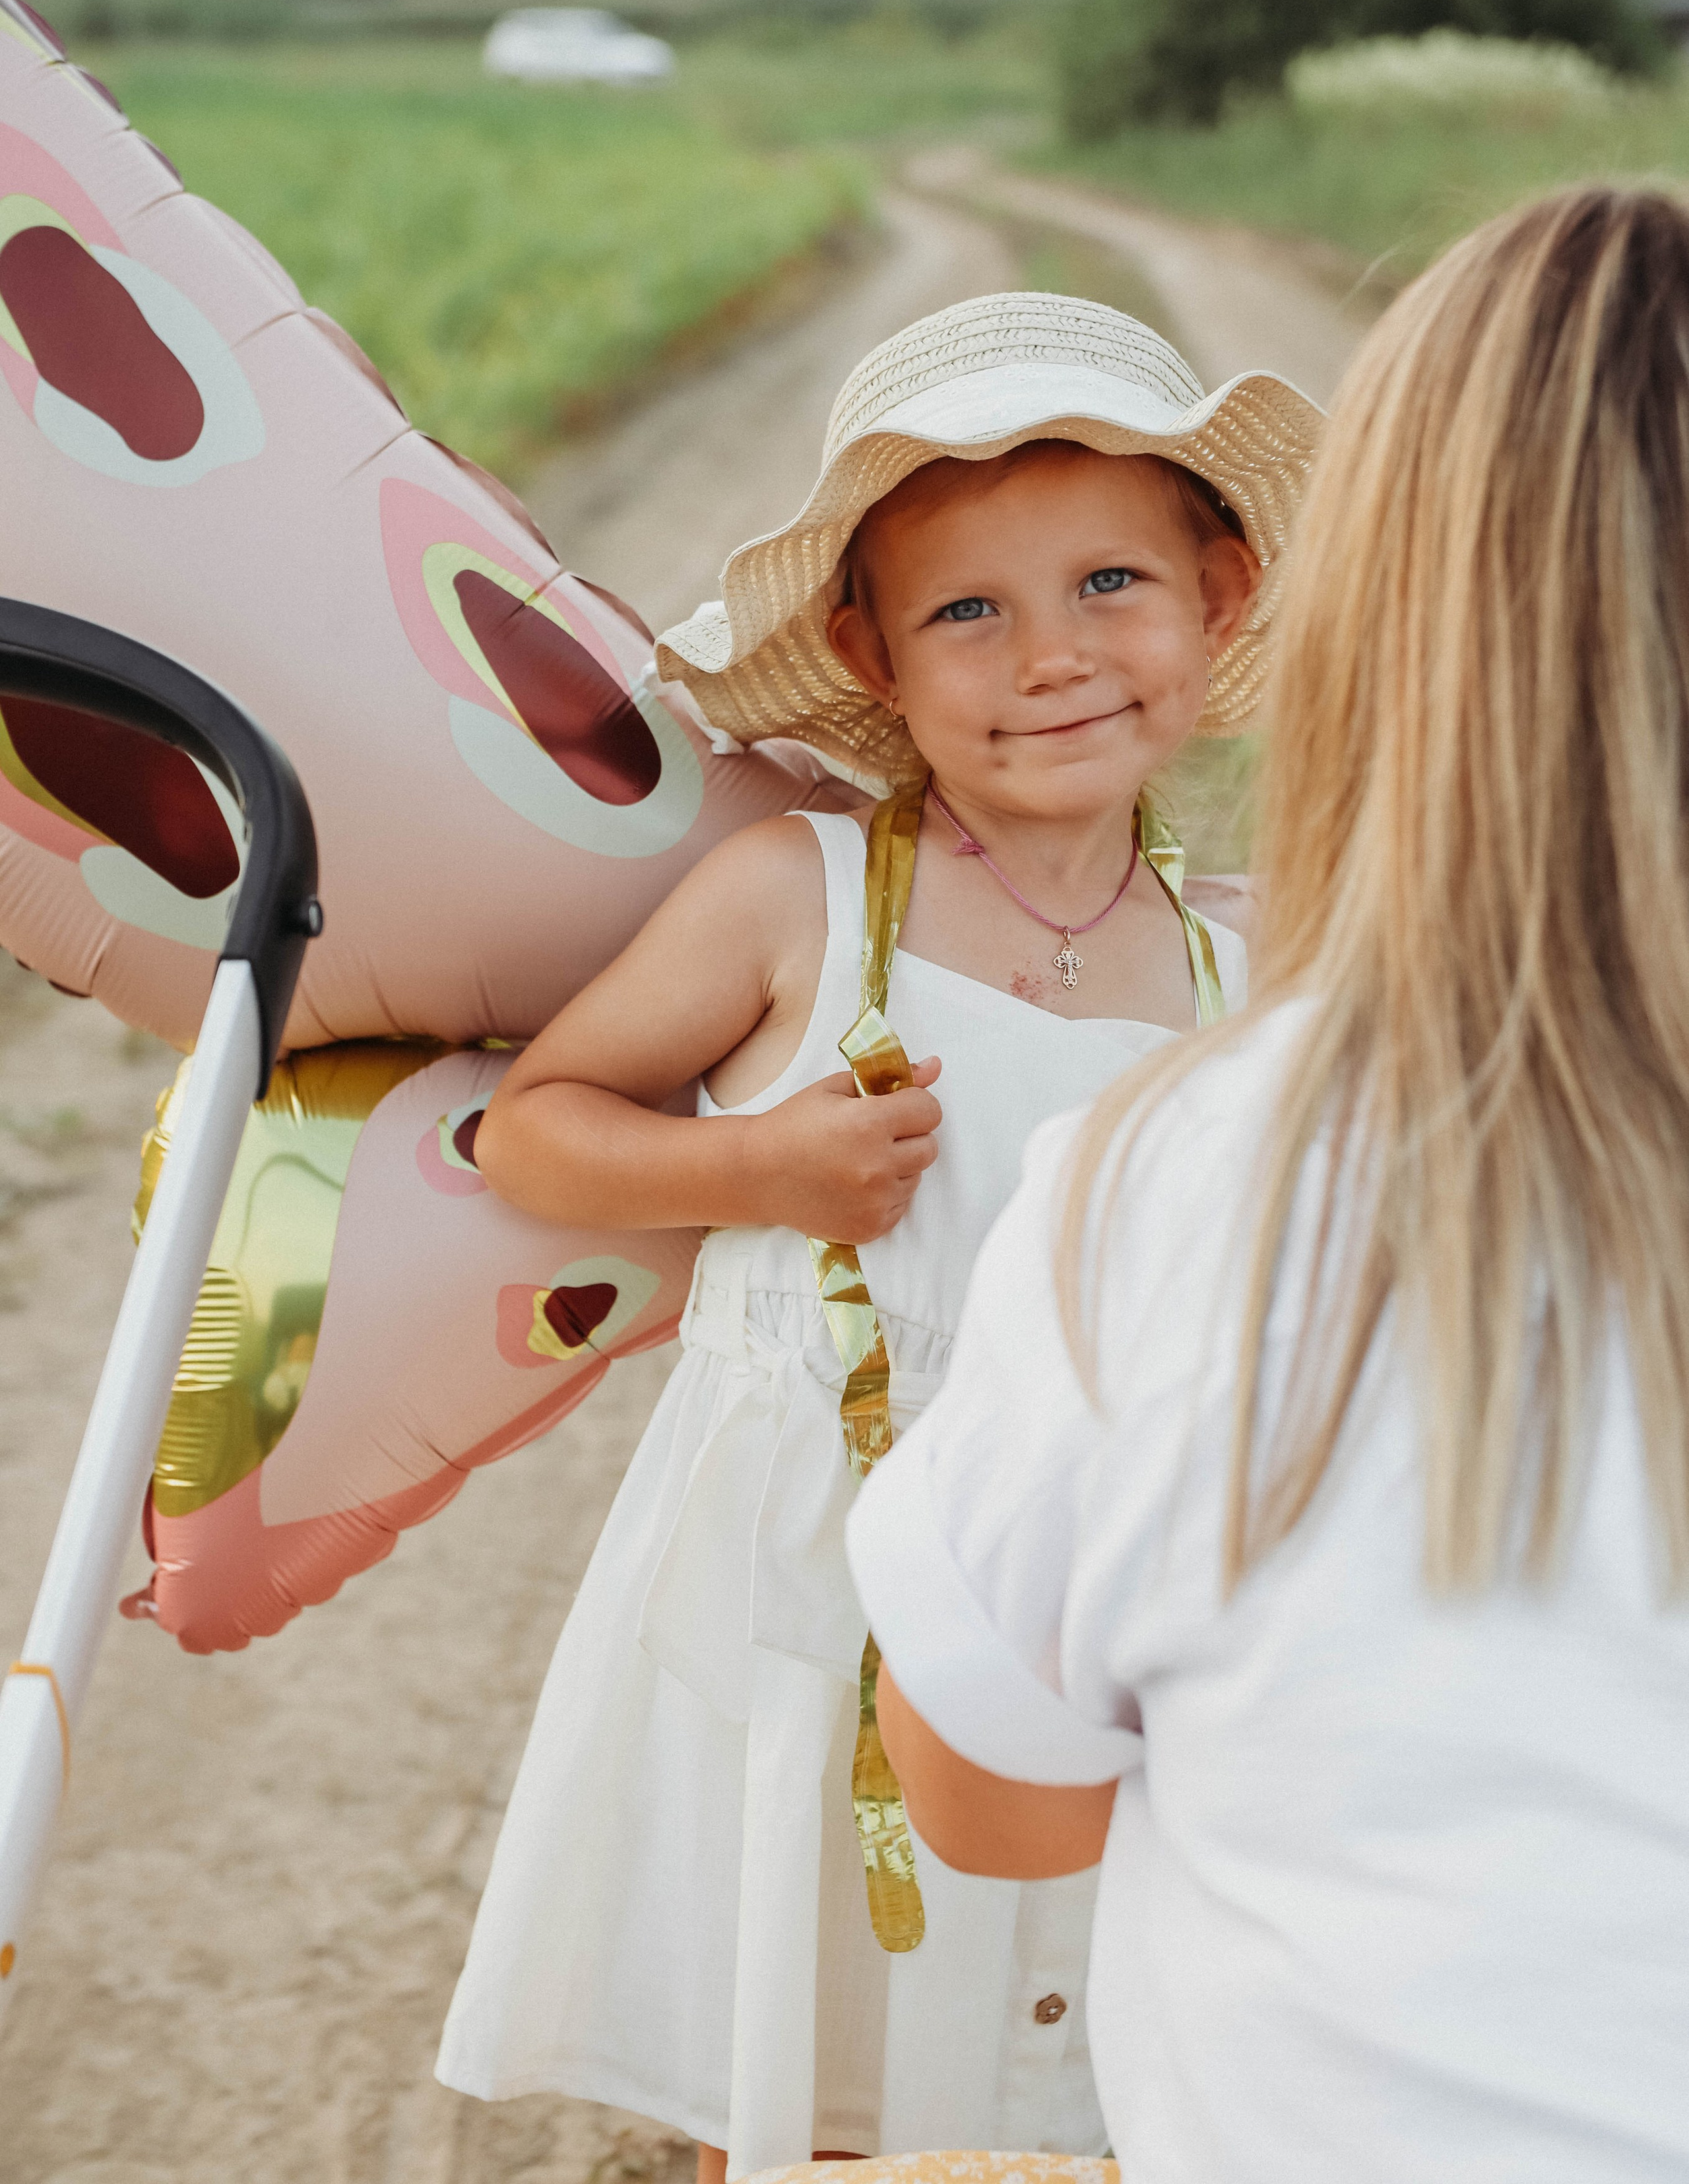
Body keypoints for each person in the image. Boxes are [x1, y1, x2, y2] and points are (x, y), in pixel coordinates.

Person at [848, 187, 1689, 2183]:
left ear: (1332, 629)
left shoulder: (1176, 1177)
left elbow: (989, 1802)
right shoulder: (827, 926)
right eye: (969, 609)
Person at [435, 292, 1322, 2178]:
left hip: (1092, 1597)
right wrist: (759, 1173)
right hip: (812, 1586)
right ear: (872, 651)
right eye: (969, 612)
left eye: (1109, 586)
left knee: (1069, 2075)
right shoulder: (801, 898)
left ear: (1220, 595)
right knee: (814, 2066)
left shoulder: (1253, 968)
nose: (1052, 659)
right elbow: (537, 1127)